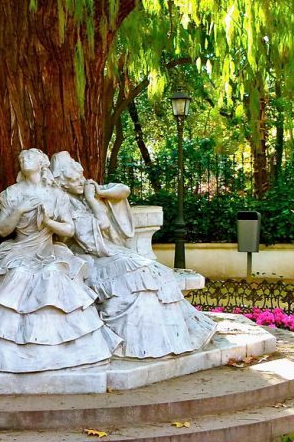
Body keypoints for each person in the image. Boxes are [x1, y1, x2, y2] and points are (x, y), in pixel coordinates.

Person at [50, 151, 217, 359]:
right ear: (63, 183)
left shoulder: (85, 195)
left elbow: (123, 189)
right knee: (138, 273)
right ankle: (139, 344)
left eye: (81, 177)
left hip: (108, 252)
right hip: (86, 254)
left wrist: (99, 191)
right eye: (74, 180)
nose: (81, 182)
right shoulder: (64, 203)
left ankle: (170, 337)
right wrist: (93, 200)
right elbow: (94, 233)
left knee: (154, 270)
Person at [0, 149, 120, 373]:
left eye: (29, 156)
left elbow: (68, 230)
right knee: (19, 274)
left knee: (55, 273)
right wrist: (20, 209)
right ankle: (12, 354)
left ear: (42, 164)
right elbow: (3, 230)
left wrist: (49, 222)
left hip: (48, 249)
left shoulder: (56, 195)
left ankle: (59, 350)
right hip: (19, 249)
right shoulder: (11, 193)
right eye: (21, 157)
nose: (23, 159)